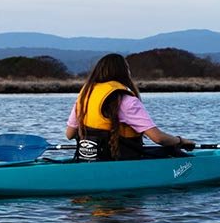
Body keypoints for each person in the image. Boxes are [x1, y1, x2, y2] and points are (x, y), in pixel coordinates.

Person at [66, 53, 196, 160]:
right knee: (172, 150)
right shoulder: (125, 100)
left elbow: (70, 134)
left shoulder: (85, 96)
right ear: (124, 73)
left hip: (88, 159)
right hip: (121, 160)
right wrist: (180, 141)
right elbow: (158, 138)